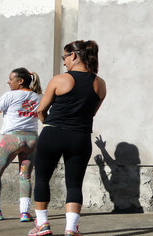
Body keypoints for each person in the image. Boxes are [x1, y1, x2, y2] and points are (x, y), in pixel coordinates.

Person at [28, 40, 106, 236]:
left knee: (42, 178)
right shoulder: (100, 84)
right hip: (80, 137)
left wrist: (48, 123)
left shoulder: (59, 80)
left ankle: (43, 226)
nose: (64, 62)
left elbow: (40, 110)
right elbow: (92, 113)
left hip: (53, 133)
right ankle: (71, 229)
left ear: (73, 55)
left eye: (64, 57)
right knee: (74, 183)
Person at [0, 67, 43, 222]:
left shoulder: (10, 95)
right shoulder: (38, 96)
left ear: (20, 81)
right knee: (25, 176)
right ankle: (25, 213)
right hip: (32, 139)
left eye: (11, 79)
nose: (8, 82)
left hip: (12, 139)